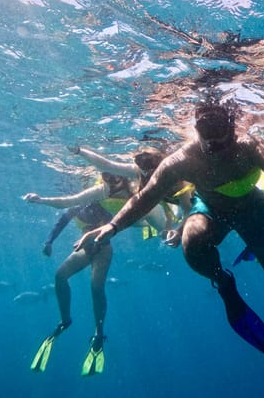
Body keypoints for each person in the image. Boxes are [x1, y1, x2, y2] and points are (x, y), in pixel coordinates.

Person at [75, 99, 264, 358]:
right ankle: (223, 283)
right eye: (208, 143)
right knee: (192, 241)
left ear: (232, 129)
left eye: (222, 142)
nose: (216, 149)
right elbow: (146, 196)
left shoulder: (248, 145)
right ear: (196, 133)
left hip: (252, 208)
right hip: (212, 208)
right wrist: (113, 225)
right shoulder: (184, 159)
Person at [23, 152, 168, 375]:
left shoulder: (128, 192)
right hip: (87, 246)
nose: (111, 182)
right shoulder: (97, 194)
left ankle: (99, 333)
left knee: (96, 287)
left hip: (103, 246)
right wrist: (43, 208)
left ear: (122, 176)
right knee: (60, 276)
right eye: (106, 178)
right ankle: (65, 321)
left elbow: (134, 215)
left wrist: (163, 228)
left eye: (115, 177)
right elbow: (65, 209)